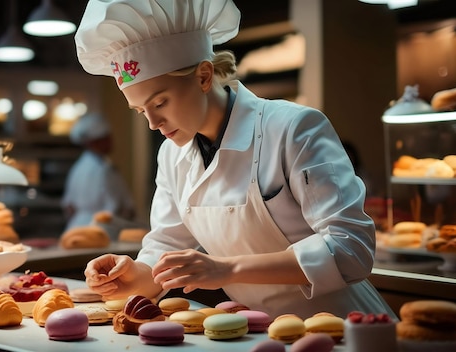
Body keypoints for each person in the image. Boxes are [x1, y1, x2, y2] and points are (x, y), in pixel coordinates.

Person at [74, 0, 395, 319]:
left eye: (160, 102)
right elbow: (165, 247)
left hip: (345, 326)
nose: (153, 123)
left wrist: (229, 268)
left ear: (203, 76)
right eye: (141, 110)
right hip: (259, 332)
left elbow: (352, 250)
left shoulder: (292, 128)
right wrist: (132, 275)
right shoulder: (172, 154)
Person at [61, 113, 136, 233]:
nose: (111, 141)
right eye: (106, 138)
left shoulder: (78, 167)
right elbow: (119, 210)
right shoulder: (103, 170)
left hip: (74, 228)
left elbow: (69, 207)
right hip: (101, 231)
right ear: (93, 142)